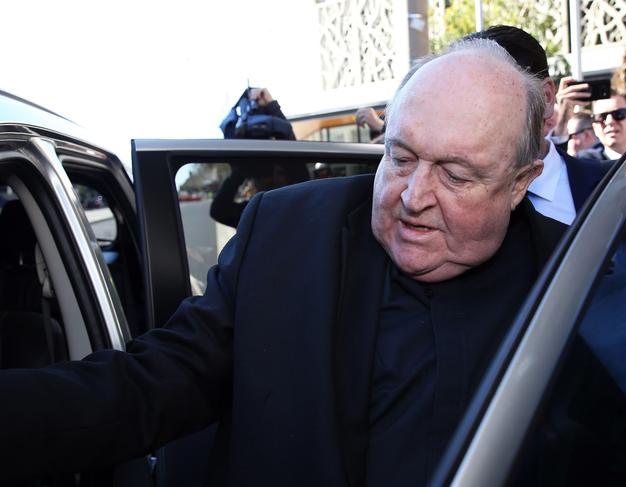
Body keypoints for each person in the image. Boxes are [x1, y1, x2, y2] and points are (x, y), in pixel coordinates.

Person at [0, 39, 565, 486]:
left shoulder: (579, 283)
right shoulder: (286, 232)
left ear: (521, 184)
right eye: (401, 156)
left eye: (455, 175)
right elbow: (158, 383)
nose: (413, 195)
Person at [466, 25, 610, 225]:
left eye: (492, 99)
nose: (473, 114)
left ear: (546, 98)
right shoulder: (438, 198)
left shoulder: (611, 186)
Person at [211, 88, 309, 227]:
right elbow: (219, 211)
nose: (274, 177)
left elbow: (295, 160)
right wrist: (272, 107)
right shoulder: (257, 210)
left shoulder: (296, 203)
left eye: (279, 171)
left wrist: (240, 170)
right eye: (270, 170)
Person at [579, 91, 626, 161]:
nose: (609, 121)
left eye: (618, 114)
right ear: (594, 127)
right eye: (601, 117)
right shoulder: (586, 164)